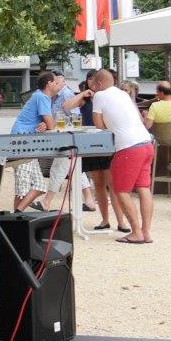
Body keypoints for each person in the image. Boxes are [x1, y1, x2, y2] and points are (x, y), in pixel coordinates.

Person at [10, 72, 95, 212]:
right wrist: (48, 123)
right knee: (23, 186)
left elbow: (49, 122)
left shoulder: (43, 96)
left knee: (39, 185)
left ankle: (19, 213)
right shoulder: (42, 97)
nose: (60, 84)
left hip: (29, 143)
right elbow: (51, 123)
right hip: (23, 142)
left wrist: (46, 123)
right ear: (49, 84)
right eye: (56, 82)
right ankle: (16, 216)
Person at [90, 69, 154, 244]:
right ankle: (146, 232)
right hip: (146, 142)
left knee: (121, 190)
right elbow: (139, 118)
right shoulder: (124, 94)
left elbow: (99, 125)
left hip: (127, 147)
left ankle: (136, 232)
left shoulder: (99, 95)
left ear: (99, 84)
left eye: (94, 85)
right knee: (144, 188)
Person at [63, 70, 128, 232]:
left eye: (95, 79)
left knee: (112, 184)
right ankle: (104, 220)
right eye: (89, 79)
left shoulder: (107, 97)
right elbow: (66, 107)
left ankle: (121, 222)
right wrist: (82, 94)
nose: (92, 82)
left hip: (107, 143)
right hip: (90, 144)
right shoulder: (85, 99)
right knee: (98, 184)